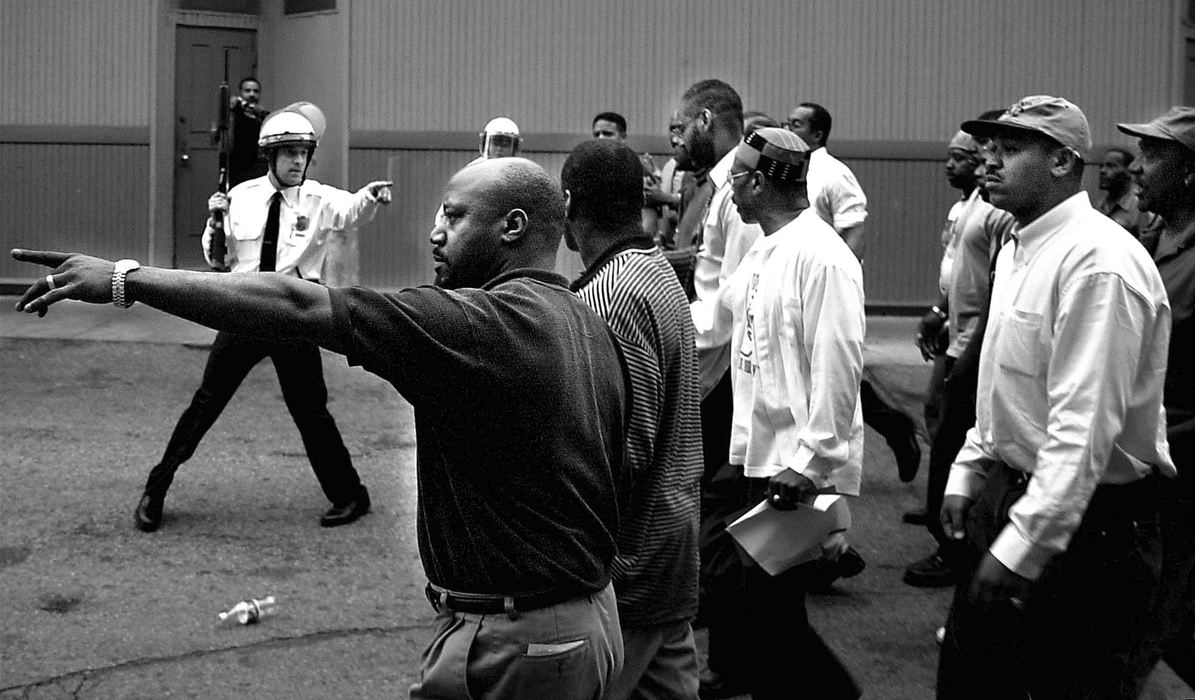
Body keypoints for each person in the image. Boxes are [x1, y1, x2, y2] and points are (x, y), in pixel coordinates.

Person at [13, 156, 628, 700]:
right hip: (587, 623)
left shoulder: (481, 327)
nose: (435, 232)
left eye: (454, 215)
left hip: (522, 642)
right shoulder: (587, 321)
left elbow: (299, 303)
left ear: (511, 228)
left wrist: (125, 279)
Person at [936, 95, 1174, 699]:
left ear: (1064, 162)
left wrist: (1025, 544)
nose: (990, 161)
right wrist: (972, 468)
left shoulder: (1099, 263)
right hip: (1020, 495)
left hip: (1092, 529)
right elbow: (1008, 381)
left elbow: (1082, 429)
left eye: (1011, 150)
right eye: (990, 147)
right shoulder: (1020, 242)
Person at [131, 104, 393, 532]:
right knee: (205, 405)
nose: (298, 162)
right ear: (269, 157)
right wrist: (214, 222)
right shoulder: (240, 198)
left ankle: (351, 496)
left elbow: (351, 210)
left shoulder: (320, 199)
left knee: (311, 412)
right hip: (243, 311)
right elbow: (218, 259)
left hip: (294, 315)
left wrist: (370, 196)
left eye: (304, 153)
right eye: (289, 153)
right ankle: (154, 490)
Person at [698, 126, 864, 699]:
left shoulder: (823, 258)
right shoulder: (765, 250)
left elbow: (838, 366)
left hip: (793, 464)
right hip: (757, 454)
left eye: (736, 184)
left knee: (767, 598)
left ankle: (829, 692)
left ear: (761, 183)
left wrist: (812, 461)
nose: (730, 196)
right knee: (758, 594)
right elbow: (716, 323)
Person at [563, 138, 703, 700]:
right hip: (672, 542)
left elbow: (622, 451)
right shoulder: (656, 271)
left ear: (569, 204)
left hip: (634, 562)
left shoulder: (608, 296)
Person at [672, 78, 758, 699]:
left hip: (726, 380)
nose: (675, 137)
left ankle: (735, 663)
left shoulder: (736, 191)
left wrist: (683, 372)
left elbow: (729, 305)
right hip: (717, 374)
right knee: (717, 522)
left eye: (681, 126)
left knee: (722, 524)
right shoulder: (719, 186)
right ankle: (734, 651)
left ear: (706, 119)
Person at [785, 102, 921, 485]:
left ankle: (892, 428)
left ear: (817, 135)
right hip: (794, 287)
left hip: (826, 287)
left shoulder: (834, 174)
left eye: (796, 124)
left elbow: (854, 233)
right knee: (811, 372)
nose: (788, 128)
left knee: (832, 372)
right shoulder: (790, 169)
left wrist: (833, 282)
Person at [904, 126, 1014, 588]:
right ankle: (941, 517)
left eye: (965, 157)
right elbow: (960, 273)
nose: (957, 165)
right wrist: (939, 313)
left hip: (974, 342)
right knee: (941, 425)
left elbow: (995, 287)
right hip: (958, 335)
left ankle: (953, 545)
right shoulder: (970, 203)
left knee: (955, 437)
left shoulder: (997, 213)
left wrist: (968, 351)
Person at [1117, 106, 1195, 693]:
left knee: (1150, 616)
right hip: (1141, 456)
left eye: (1153, 156)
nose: (1136, 169)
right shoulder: (1144, 236)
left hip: (1183, 466)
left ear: (1190, 173)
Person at [592, 111, 666, 237]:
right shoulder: (590, 170)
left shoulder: (637, 169)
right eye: (597, 134)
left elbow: (649, 215)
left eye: (607, 134)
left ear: (623, 138)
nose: (601, 138)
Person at [1095, 146, 1150, 238]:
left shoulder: (1140, 207)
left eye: (1111, 166)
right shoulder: (1099, 205)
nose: (1102, 171)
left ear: (1129, 171)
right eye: (1101, 166)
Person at [228, 77, 270, 186]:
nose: (252, 94)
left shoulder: (264, 116)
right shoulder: (233, 114)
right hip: (237, 168)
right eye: (247, 91)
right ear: (240, 92)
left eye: (255, 91)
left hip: (259, 168)